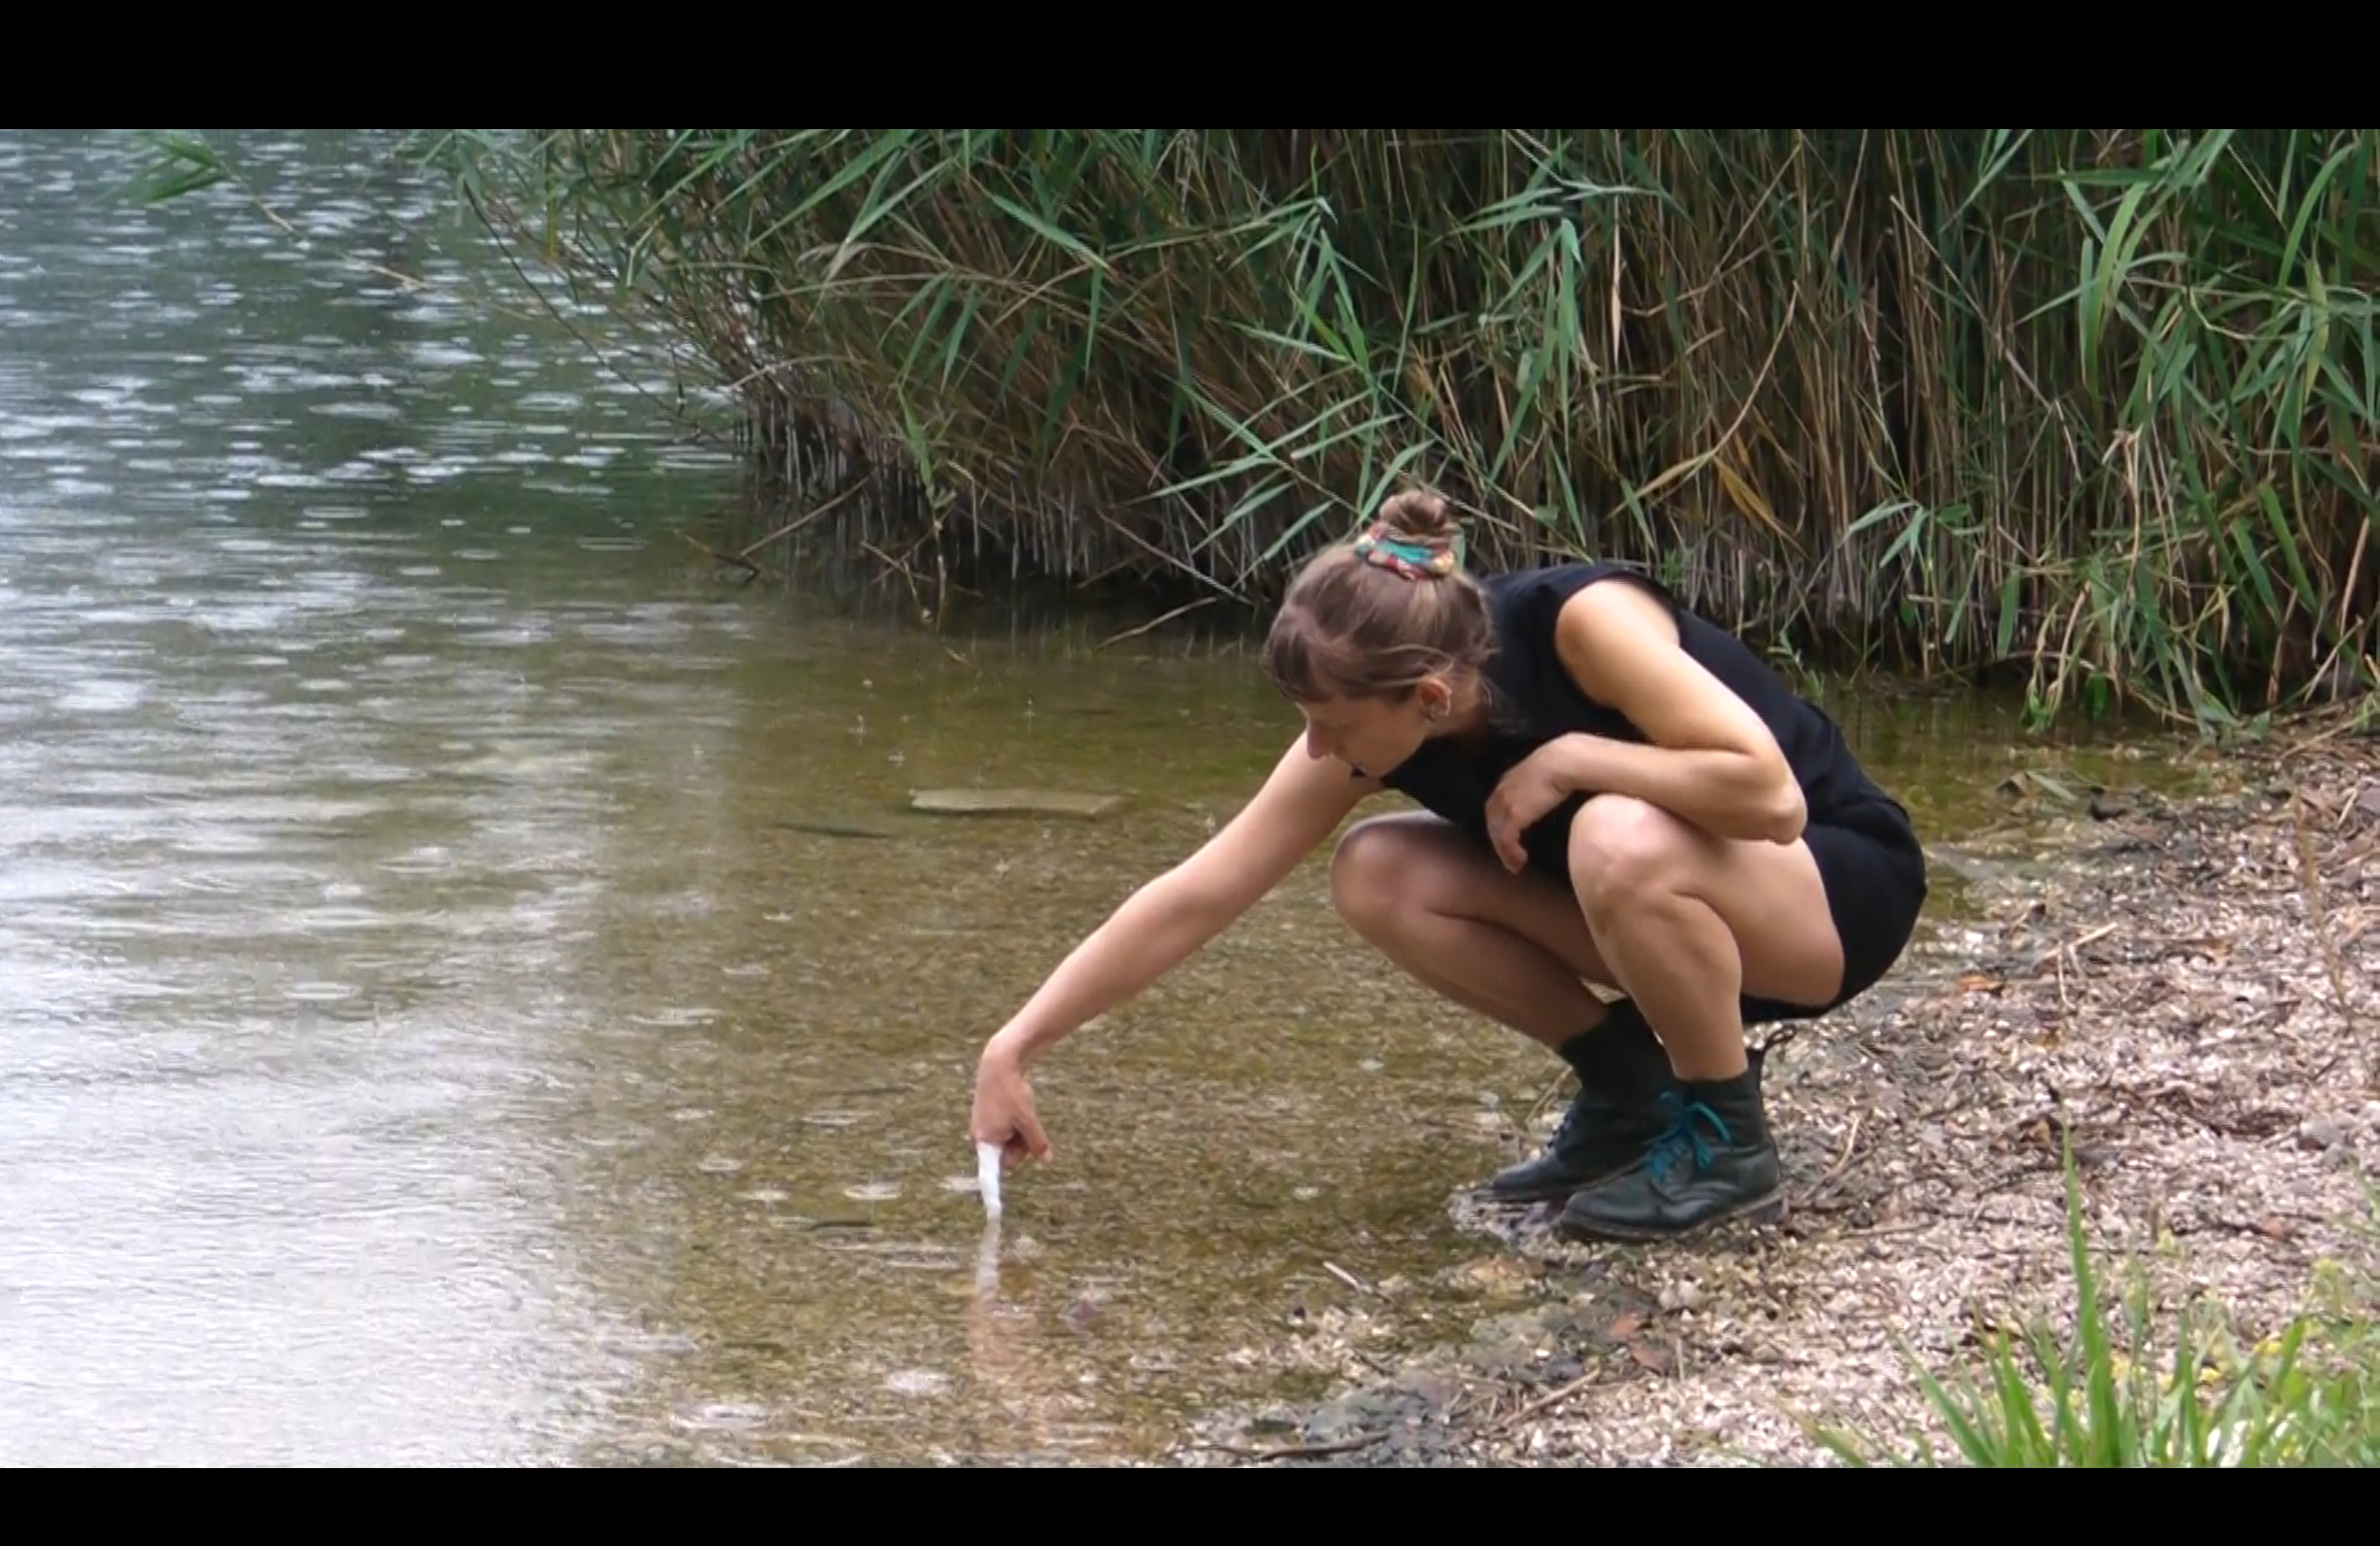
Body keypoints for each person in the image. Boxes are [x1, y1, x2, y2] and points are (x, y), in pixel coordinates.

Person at [966, 487, 1928, 1243]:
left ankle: (1727, 1142)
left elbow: (1772, 797)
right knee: (1372, 869)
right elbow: (1199, 890)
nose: (1314, 749)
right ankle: (1633, 1090)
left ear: (1428, 694)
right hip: (1681, 915)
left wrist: (1570, 761)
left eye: (1330, 724)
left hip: (1834, 892)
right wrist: (1015, 1045)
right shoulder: (1377, 724)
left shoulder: (1580, 625)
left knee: (1609, 833)